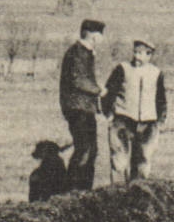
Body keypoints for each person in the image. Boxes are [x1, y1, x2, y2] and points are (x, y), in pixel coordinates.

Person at [102, 37, 167, 183]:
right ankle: (116, 195)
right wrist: (108, 114)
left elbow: (161, 98)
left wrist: (160, 119)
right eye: (135, 52)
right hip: (123, 120)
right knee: (119, 161)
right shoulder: (122, 69)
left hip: (148, 123)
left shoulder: (156, 73)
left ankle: (137, 193)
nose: (137, 57)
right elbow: (109, 92)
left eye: (141, 53)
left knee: (143, 160)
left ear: (149, 55)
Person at [59, 19, 105, 191]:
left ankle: (83, 192)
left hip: (84, 108)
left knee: (90, 150)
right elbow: (79, 80)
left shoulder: (84, 52)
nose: (102, 39)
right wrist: (99, 90)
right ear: (92, 36)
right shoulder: (78, 53)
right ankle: (73, 191)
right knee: (84, 150)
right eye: (101, 35)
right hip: (78, 109)